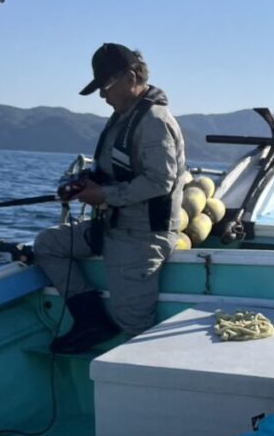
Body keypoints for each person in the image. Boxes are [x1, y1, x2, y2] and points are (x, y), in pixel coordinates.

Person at [35, 43, 187, 354]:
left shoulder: (154, 121)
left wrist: (103, 194)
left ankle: (146, 386)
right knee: (48, 246)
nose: (103, 97)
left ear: (131, 77)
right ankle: (91, 321)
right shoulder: (123, 115)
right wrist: (87, 183)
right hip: (111, 226)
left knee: (132, 323)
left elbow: (160, 181)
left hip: (142, 236)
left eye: (105, 87)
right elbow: (119, 167)